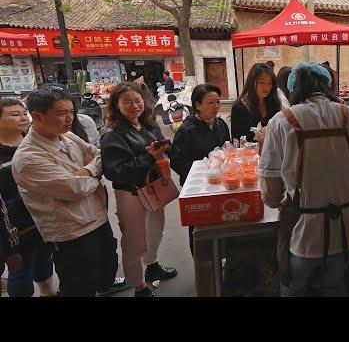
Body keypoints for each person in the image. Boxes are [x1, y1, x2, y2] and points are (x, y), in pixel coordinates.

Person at [257, 61, 349, 296]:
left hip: (303, 235)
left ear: (294, 89)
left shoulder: (282, 122)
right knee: (334, 286)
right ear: (328, 86)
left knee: (294, 288)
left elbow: (271, 195)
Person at [12, 86, 119, 297]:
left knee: (105, 272)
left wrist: (86, 171)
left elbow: (99, 155)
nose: (70, 118)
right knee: (79, 286)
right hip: (72, 232)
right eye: (62, 113)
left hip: (97, 218)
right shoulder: (28, 157)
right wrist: (94, 174)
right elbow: (75, 189)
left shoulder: (67, 136)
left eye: (71, 111)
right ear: (37, 116)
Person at [101, 82, 178, 297]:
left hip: (154, 188)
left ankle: (152, 264)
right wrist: (149, 156)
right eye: (127, 102)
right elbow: (116, 171)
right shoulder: (113, 135)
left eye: (137, 100)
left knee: (156, 230)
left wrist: (164, 148)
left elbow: (161, 151)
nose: (134, 106)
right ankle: (139, 286)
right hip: (131, 193)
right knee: (134, 241)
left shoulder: (148, 126)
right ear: (116, 105)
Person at [0, 99, 56, 297]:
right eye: (15, 114)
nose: (23, 118)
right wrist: (7, 245)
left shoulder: (35, 141)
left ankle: (48, 292)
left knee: (44, 262)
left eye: (24, 113)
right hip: (15, 231)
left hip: (45, 219)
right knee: (21, 272)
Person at [169, 84, 230, 255]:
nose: (216, 107)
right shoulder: (187, 130)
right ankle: (203, 267)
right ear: (197, 105)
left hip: (220, 185)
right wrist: (203, 170)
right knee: (201, 229)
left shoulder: (220, 124)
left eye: (218, 102)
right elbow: (177, 161)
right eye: (210, 103)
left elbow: (227, 148)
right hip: (199, 189)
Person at [231, 63, 281, 144]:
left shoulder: (275, 103)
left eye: (269, 83)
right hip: (249, 154)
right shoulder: (240, 107)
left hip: (272, 152)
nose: (266, 87)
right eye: (261, 82)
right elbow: (237, 140)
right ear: (252, 82)